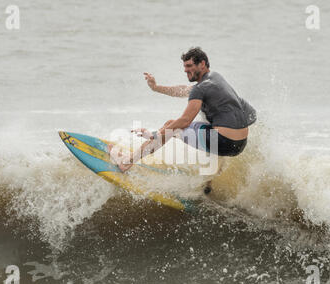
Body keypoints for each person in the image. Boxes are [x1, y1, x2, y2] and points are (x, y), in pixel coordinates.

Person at [108, 47, 256, 193]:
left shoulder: (201, 88)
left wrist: (155, 134)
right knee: (211, 127)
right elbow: (252, 115)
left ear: (202, 64)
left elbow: (184, 121)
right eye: (185, 67)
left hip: (223, 141)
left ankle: (126, 163)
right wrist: (156, 87)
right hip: (240, 145)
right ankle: (208, 183)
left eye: (189, 66)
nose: (185, 70)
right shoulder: (217, 80)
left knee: (171, 125)